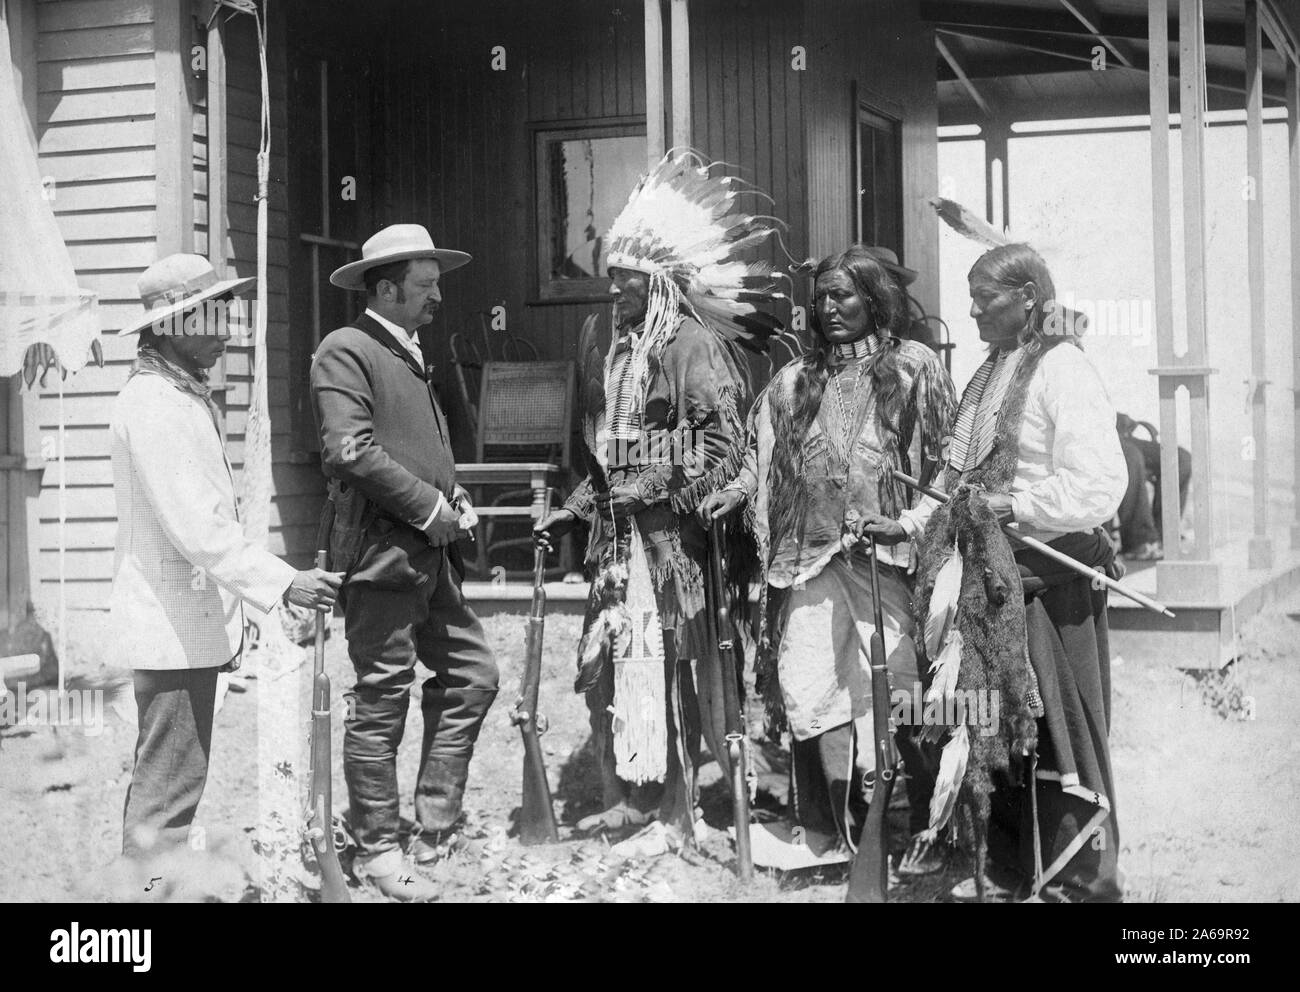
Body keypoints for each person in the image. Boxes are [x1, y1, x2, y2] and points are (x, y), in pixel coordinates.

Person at [534, 151, 784, 855]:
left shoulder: (691, 347)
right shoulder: (618, 352)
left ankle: (681, 809)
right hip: (619, 546)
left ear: (663, 285)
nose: (616, 299)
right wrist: (578, 507)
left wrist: (646, 486)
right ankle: (637, 797)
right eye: (612, 286)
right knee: (616, 663)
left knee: (679, 667)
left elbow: (721, 443)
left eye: (629, 287)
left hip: (674, 547)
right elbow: (614, 455)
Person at [699, 244, 956, 874]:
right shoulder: (793, 381)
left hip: (889, 560)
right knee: (810, 686)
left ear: (876, 299)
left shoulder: (917, 368)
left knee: (903, 686)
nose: (829, 307)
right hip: (808, 558)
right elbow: (762, 458)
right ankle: (824, 830)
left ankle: (926, 825)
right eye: (821, 298)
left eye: (843, 295)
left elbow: (952, 461)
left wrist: (911, 523)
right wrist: (734, 491)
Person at [110, 254, 341, 862]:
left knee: (171, 783)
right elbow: (198, 529)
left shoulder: (179, 396)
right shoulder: (156, 403)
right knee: (168, 791)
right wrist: (285, 582)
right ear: (167, 328)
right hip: (168, 628)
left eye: (225, 313)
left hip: (184, 625)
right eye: (206, 316)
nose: (223, 330)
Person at [311, 224, 494, 902]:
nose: (438, 296)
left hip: (433, 552)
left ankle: (435, 823)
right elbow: (349, 450)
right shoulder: (346, 350)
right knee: (382, 701)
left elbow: (412, 447)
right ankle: (378, 851)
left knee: (473, 675)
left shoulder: (409, 352)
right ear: (385, 289)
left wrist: (454, 495)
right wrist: (426, 507)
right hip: (382, 558)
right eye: (426, 285)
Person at [945, 243, 1128, 902]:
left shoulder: (1063, 368)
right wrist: (916, 525)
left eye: (983, 297)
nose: (970, 311)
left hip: (1050, 582)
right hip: (992, 583)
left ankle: (1081, 882)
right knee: (999, 728)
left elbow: (1101, 482)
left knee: (1058, 728)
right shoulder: (989, 373)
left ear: (1026, 296)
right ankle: (1015, 871)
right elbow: (956, 477)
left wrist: (1015, 504)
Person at [1115, 411, 1191, 560]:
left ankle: (1164, 537)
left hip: (1117, 431)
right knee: (1130, 455)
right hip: (1092, 435)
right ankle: (1139, 541)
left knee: (1181, 459)